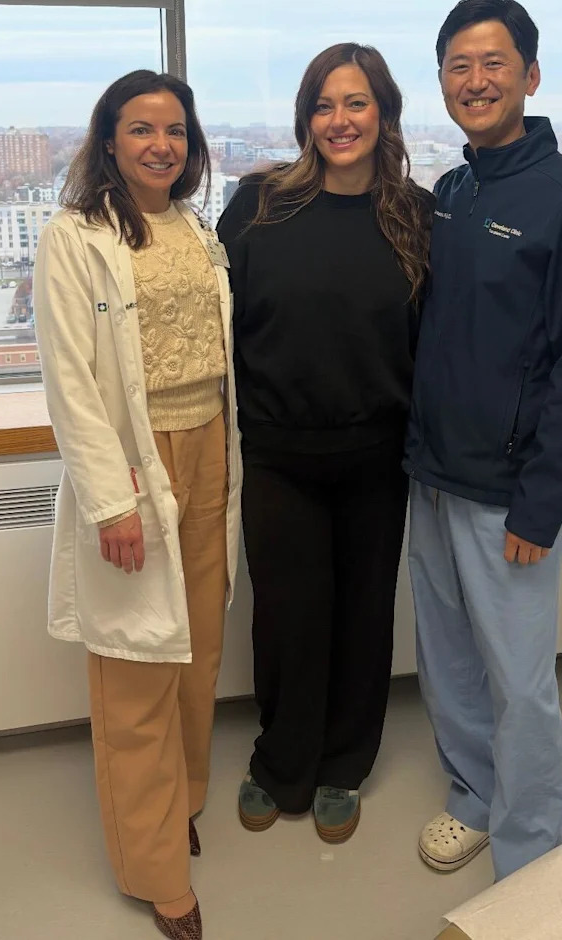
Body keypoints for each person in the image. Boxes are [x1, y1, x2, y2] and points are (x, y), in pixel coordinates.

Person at [405, 0, 562, 882]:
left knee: (522, 681)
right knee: (450, 661)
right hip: (433, 474)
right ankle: (472, 797)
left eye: (493, 63)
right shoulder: (452, 195)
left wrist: (543, 502)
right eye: (458, 66)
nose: (476, 81)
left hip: (512, 494)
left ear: (530, 76)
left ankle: (532, 846)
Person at [33, 69, 242, 940]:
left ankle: (181, 803)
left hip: (209, 448)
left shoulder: (195, 228)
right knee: (134, 670)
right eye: (142, 128)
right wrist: (110, 501)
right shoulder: (74, 237)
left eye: (176, 130)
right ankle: (155, 870)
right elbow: (71, 382)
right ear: (109, 138)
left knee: (197, 647)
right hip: (133, 461)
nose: (162, 144)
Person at [217, 42, 433, 843]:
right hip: (278, 453)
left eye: (356, 103)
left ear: (384, 113)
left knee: (363, 614)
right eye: (323, 104)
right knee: (285, 617)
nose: (339, 121)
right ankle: (281, 761)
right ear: (305, 116)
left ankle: (343, 764)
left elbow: (435, 340)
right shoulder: (257, 205)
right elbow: (213, 327)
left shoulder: (414, 213)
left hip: (378, 455)